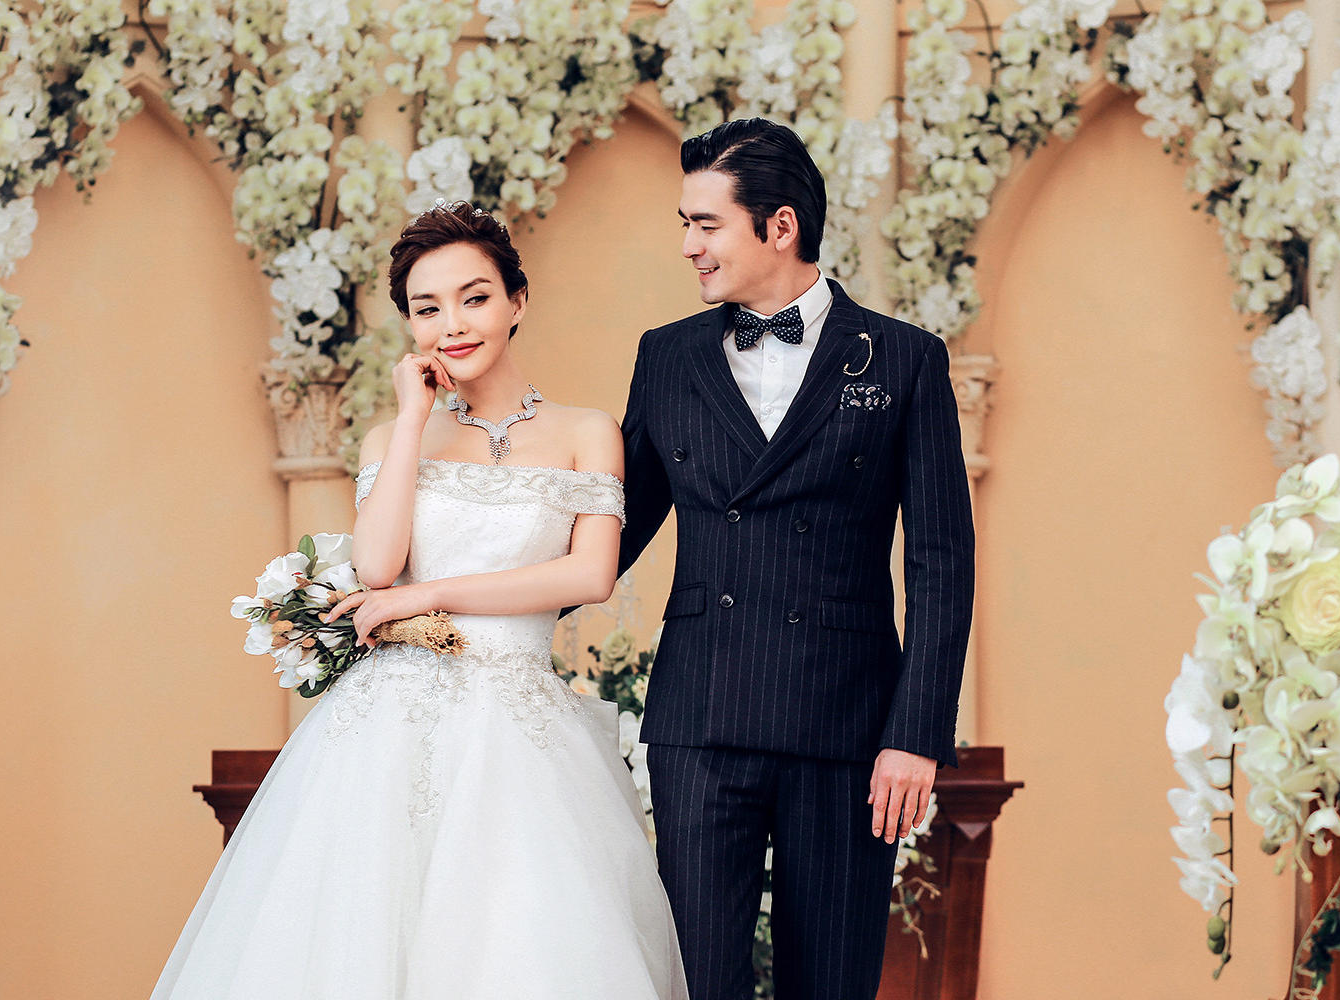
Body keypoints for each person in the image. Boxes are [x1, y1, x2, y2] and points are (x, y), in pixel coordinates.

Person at [151, 201, 687, 1000]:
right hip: (387, 728)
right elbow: (376, 567)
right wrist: (411, 419)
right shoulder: (393, 435)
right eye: (427, 308)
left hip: (520, 730)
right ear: (409, 324)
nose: (452, 325)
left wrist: (429, 595)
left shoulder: (587, 431)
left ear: (517, 301)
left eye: (475, 298)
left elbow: (589, 578)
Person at [617, 118, 975, 1000]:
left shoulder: (904, 359)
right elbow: (614, 529)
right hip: (700, 722)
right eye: (686, 223)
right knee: (699, 982)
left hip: (846, 726)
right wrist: (463, 601)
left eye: (707, 225)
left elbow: (940, 560)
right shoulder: (666, 355)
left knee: (833, 983)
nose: (688, 246)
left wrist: (915, 734)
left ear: (780, 226)